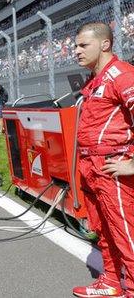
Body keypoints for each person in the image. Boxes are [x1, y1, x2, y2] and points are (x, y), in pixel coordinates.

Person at [71, 22, 134, 298]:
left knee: (125, 233)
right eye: (75, 45)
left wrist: (132, 165)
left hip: (113, 166)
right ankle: (111, 281)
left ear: (105, 44)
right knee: (103, 230)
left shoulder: (123, 75)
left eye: (83, 45)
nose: (76, 51)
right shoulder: (95, 81)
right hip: (91, 166)